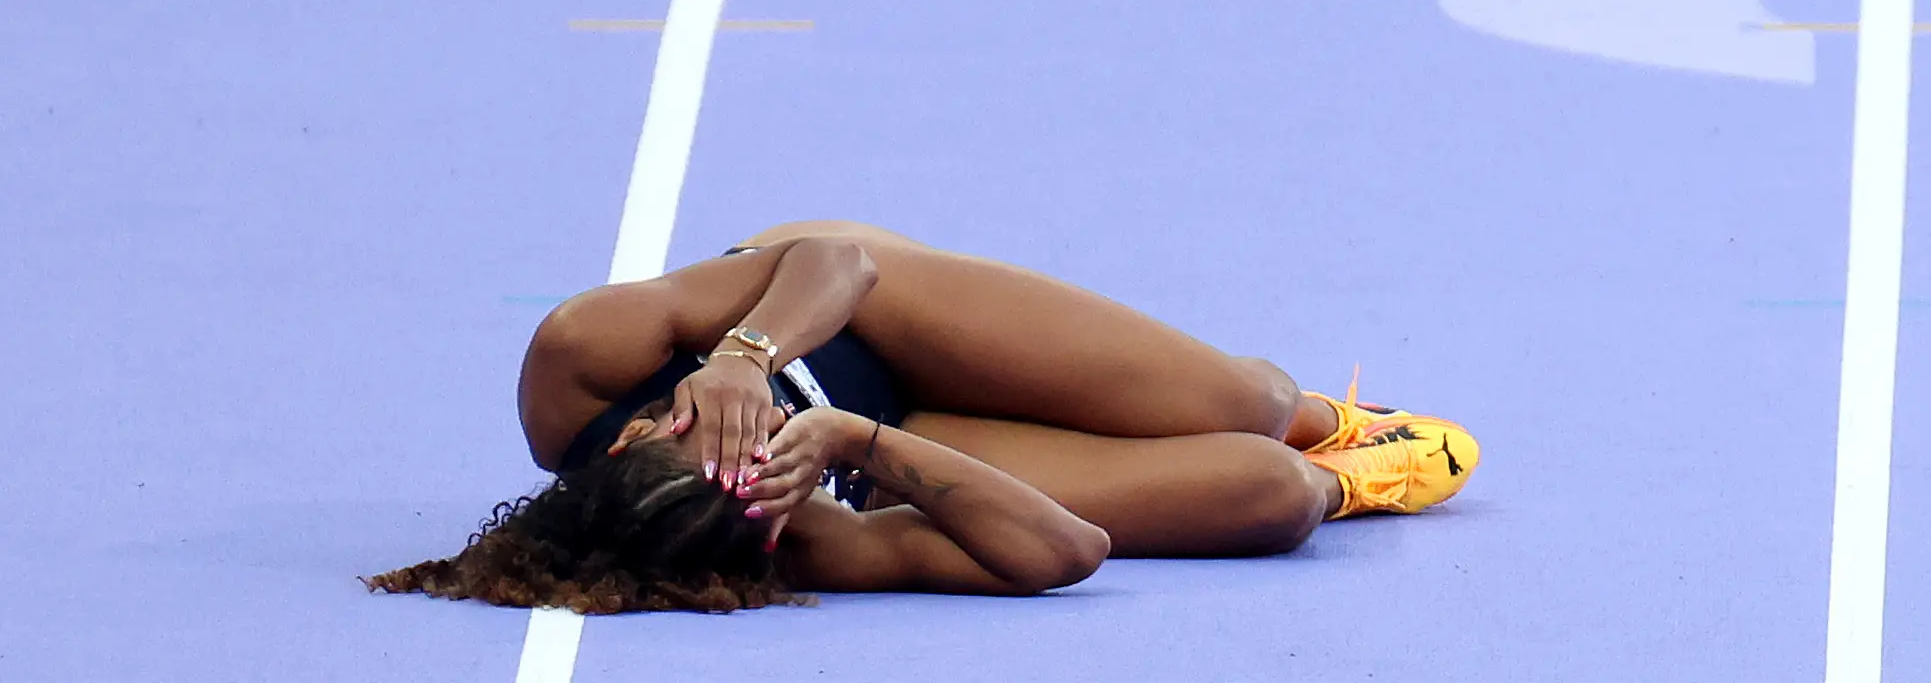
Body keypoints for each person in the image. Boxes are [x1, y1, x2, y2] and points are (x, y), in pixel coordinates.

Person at [369, 222, 1477, 612]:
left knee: (1250, 403)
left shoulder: (577, 362)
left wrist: (747, 357)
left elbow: (834, 264)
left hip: (864, 312)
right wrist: (856, 445)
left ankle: (1321, 410)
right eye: (756, 482)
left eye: (707, 439)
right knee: (1270, 494)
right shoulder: (801, 538)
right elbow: (1068, 551)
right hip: (891, 434)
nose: (752, 457)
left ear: (630, 431)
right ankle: (1350, 470)